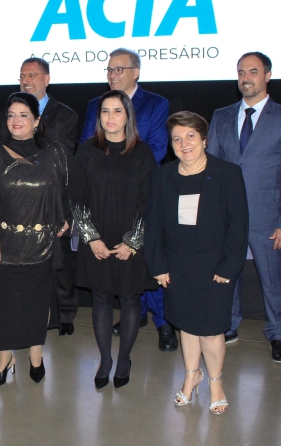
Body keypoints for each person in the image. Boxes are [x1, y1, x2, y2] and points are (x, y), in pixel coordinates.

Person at [145, 111, 249, 415]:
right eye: (177, 139)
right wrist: (157, 265)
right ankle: (192, 376)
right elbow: (154, 224)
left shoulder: (227, 173)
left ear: (204, 139)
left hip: (214, 268)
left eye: (190, 136)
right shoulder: (163, 176)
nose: (184, 143)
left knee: (212, 330)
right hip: (177, 266)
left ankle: (216, 382)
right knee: (186, 325)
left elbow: (238, 226)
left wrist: (228, 267)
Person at [207, 52, 281, 361]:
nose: (246, 78)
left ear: (267, 76)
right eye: (241, 72)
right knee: (227, 275)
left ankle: (278, 333)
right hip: (226, 216)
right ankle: (229, 325)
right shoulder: (221, 116)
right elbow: (211, 168)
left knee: (273, 279)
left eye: (252, 71)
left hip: (267, 217)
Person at [80, 48, 176, 352]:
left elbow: (158, 148)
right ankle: (135, 319)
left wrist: (130, 170)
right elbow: (86, 147)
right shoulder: (95, 105)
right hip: (103, 200)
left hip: (138, 193)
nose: (113, 75)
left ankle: (163, 323)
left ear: (136, 72)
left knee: (145, 267)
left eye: (119, 69)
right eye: (109, 69)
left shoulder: (156, 103)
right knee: (115, 286)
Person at [0, 92, 70, 389]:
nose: (16, 120)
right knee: (5, 306)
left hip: (42, 243)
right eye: (11, 115)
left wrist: (66, 218)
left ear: (37, 121)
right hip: (4, 245)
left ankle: (36, 355)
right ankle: (5, 359)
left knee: (37, 304)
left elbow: (67, 190)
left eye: (23, 115)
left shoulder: (54, 152)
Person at [72, 90, 156, 389]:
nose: (110, 117)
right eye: (105, 111)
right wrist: (91, 237)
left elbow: (149, 201)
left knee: (131, 298)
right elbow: (77, 197)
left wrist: (133, 241)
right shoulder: (86, 151)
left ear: (128, 116)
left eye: (117, 111)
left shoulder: (142, 153)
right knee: (101, 297)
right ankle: (105, 360)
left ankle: (123, 360)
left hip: (131, 242)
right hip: (96, 239)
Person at [0, 57, 79, 335]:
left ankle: (65, 314)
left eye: (32, 74)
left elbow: (60, 155)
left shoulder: (65, 115)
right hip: (17, 197)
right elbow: (3, 152)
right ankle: (29, 310)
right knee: (23, 258)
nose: (26, 80)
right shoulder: (7, 113)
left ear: (47, 79)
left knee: (59, 260)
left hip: (52, 196)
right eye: (22, 75)